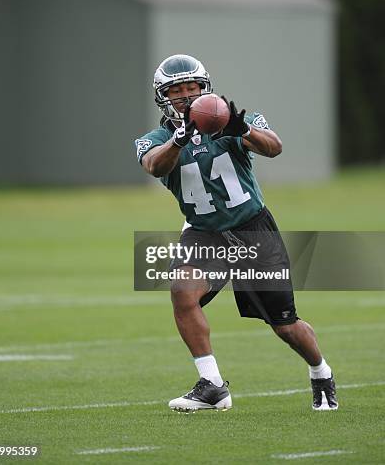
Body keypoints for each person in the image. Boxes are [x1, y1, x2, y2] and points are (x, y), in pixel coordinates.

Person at [135, 54, 338, 412]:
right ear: (163, 97)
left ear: (205, 88)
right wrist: (179, 140)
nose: (185, 96)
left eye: (192, 88)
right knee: (182, 291)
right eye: (177, 91)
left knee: (285, 326)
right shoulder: (157, 139)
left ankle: (320, 371)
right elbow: (154, 166)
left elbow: (274, 147)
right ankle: (212, 385)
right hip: (204, 232)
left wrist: (242, 130)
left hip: (253, 229)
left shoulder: (230, 121)